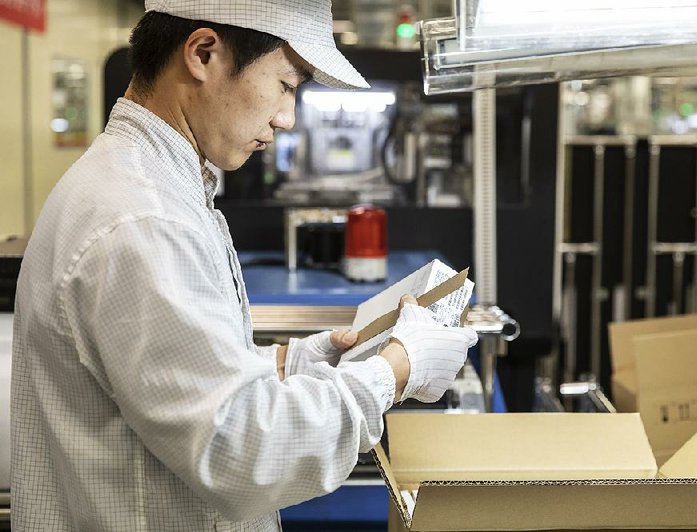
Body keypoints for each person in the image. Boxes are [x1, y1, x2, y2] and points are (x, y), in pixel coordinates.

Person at [10, 1, 478, 530]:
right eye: (285, 84)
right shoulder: (144, 218)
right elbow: (244, 452)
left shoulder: (158, 186)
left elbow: (177, 383)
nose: (287, 116)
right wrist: (397, 370)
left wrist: (298, 362)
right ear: (203, 54)